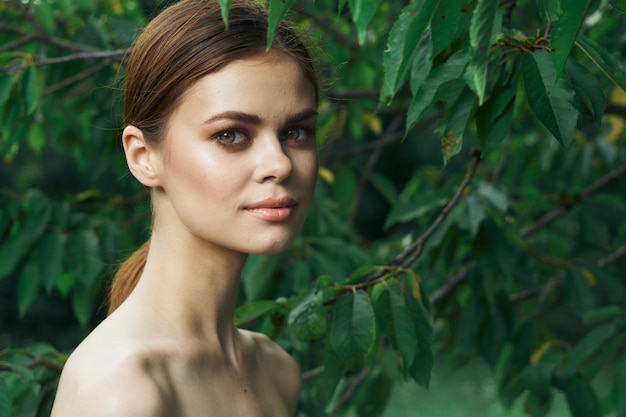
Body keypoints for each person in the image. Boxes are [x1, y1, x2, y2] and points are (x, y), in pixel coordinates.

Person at [50, 0, 319, 415]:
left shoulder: (275, 369)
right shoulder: (119, 390)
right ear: (143, 157)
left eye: (296, 131)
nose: (280, 164)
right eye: (231, 135)